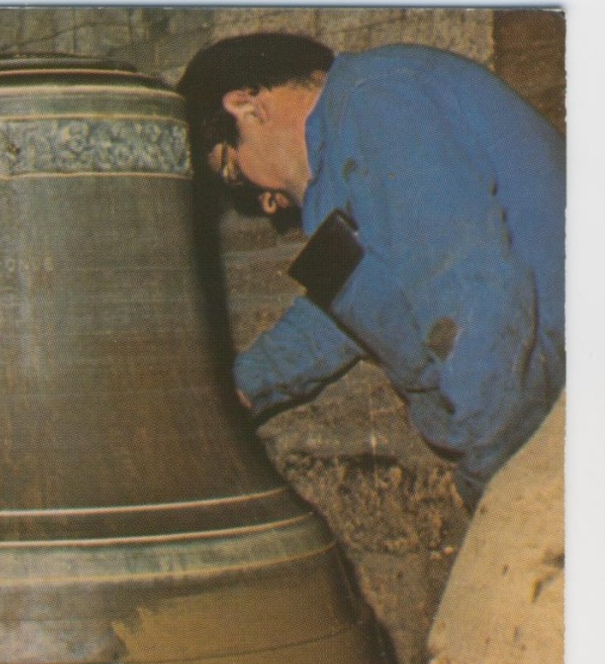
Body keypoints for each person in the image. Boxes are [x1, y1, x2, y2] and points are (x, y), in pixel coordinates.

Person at [176, 33, 564, 506]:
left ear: (247, 105)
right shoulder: (339, 168)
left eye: (234, 172)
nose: (264, 201)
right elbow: (343, 314)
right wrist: (240, 388)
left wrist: (495, 482)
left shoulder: (377, 101)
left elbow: (474, 306)